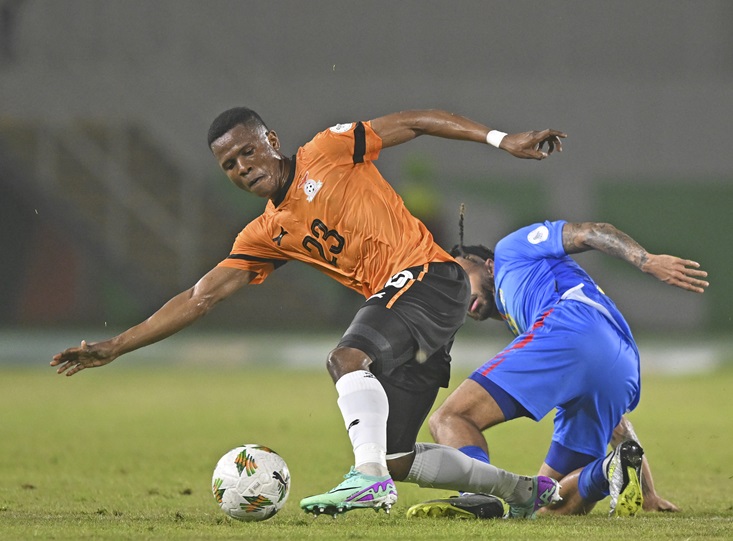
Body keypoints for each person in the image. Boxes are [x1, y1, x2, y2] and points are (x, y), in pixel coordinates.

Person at [51, 107, 568, 518]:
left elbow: (416, 121)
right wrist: (115, 345)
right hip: (414, 307)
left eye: (248, 152)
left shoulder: (328, 149)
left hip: (429, 276)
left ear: (271, 139)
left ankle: (367, 484)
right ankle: (523, 490)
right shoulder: (265, 233)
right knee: (397, 457)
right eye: (229, 165)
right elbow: (199, 296)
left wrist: (502, 139)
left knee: (347, 359)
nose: (243, 168)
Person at [406, 217, 707, 518]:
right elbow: (618, 424)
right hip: (619, 361)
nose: (457, 293)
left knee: (450, 418)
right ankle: (609, 470)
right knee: (550, 504)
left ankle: (475, 495)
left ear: (487, 264)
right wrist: (648, 491)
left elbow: (591, 232)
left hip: (570, 326)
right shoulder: (524, 309)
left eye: (458, 277)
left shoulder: (510, 250)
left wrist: (646, 260)